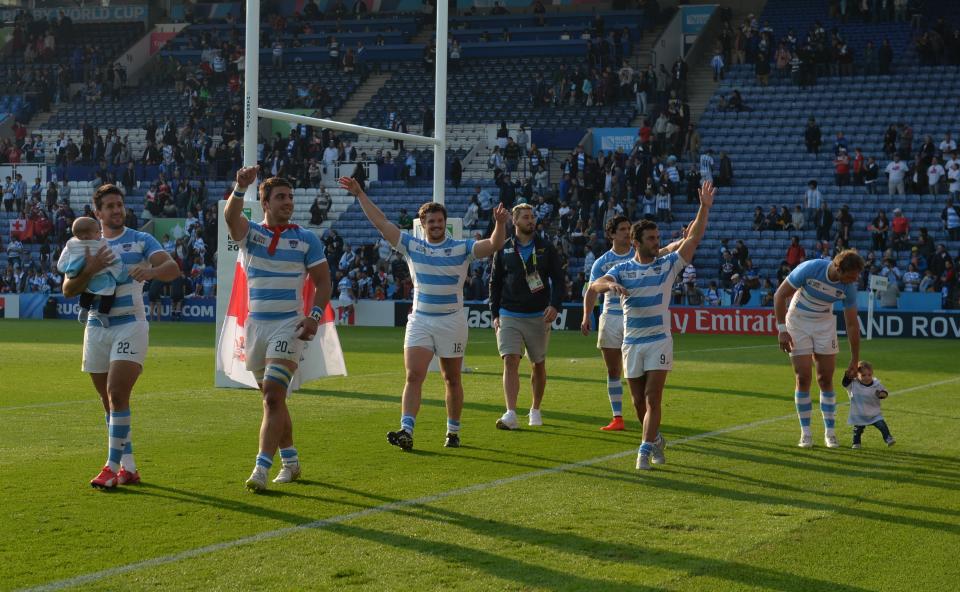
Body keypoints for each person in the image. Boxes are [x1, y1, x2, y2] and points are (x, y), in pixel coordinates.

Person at [340, 175, 508, 450]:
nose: (436, 225)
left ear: (445, 222)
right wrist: (360, 194)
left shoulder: (461, 247)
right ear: (423, 225)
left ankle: (453, 431)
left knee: (451, 378)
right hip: (420, 320)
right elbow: (381, 223)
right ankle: (406, 429)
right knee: (413, 376)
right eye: (431, 221)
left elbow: (493, 245)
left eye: (440, 220)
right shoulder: (411, 246)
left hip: (452, 321)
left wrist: (500, 224)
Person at [588, 180, 715, 471]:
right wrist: (609, 285)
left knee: (653, 397)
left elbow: (693, 238)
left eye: (658, 237)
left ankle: (643, 450)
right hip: (631, 343)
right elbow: (596, 284)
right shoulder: (622, 269)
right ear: (636, 242)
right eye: (651, 238)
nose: (657, 242)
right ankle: (656, 439)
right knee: (638, 404)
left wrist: (704, 208)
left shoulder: (668, 265)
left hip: (659, 340)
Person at [61, 184, 179, 489]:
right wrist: (91, 269)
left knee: (116, 393)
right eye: (109, 206)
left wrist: (151, 272)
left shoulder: (141, 239)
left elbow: (172, 267)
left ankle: (110, 467)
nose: (116, 210)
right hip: (96, 327)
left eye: (119, 205)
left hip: (130, 324)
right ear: (97, 213)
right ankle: (129, 467)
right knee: (107, 402)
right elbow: (68, 289)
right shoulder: (83, 245)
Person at [224, 168, 332, 492]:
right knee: (274, 401)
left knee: (272, 396)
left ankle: (260, 468)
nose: (288, 203)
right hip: (257, 326)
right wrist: (239, 186)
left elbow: (324, 281)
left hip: (289, 325)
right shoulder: (251, 234)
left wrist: (313, 315)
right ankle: (291, 461)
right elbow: (231, 218)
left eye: (290, 197)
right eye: (281, 197)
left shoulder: (306, 239)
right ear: (265, 203)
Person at [774, 249, 864, 449]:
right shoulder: (811, 268)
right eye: (850, 276)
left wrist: (854, 359)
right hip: (797, 321)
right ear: (837, 268)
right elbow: (780, 295)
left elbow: (851, 324)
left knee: (825, 378)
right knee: (803, 377)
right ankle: (805, 433)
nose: (852, 280)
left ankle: (830, 433)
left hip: (824, 324)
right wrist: (781, 330)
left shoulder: (849, 287)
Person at [489, 204, 565, 430]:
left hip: (538, 315)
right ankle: (510, 413)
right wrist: (494, 313)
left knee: (538, 364)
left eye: (532, 217)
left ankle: (535, 409)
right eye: (526, 217)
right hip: (508, 313)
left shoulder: (546, 248)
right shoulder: (503, 248)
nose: (531, 220)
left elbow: (559, 280)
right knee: (510, 360)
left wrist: (555, 305)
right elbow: (495, 282)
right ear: (515, 221)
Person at [58, 217, 123, 325]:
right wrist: (120, 271)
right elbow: (113, 258)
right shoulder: (101, 243)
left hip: (85, 277)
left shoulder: (72, 245)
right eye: (97, 231)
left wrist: (67, 268)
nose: (100, 233)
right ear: (86, 236)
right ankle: (103, 313)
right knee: (110, 293)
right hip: (101, 276)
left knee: (87, 292)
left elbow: (62, 264)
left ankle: (84, 308)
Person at [843, 361, 895, 449]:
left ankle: (888, 438)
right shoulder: (854, 384)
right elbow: (845, 383)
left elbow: (884, 392)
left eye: (869, 375)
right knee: (857, 430)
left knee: (882, 425)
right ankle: (856, 443)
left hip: (874, 413)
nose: (867, 377)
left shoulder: (876, 384)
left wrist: (882, 394)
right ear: (857, 375)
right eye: (863, 375)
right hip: (859, 413)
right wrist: (848, 374)